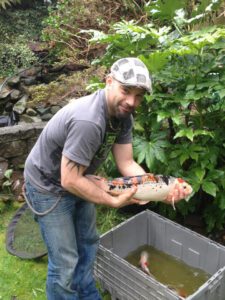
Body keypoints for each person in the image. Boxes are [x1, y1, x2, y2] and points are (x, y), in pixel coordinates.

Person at [24, 57, 191, 300]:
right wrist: (111, 200)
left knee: (87, 243)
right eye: (126, 91)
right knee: (65, 260)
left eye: (139, 96)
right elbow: (69, 180)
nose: (132, 101)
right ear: (109, 82)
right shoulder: (88, 120)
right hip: (48, 185)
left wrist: (162, 191)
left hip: (82, 178)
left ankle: (86, 293)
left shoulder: (123, 115)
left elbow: (126, 163)